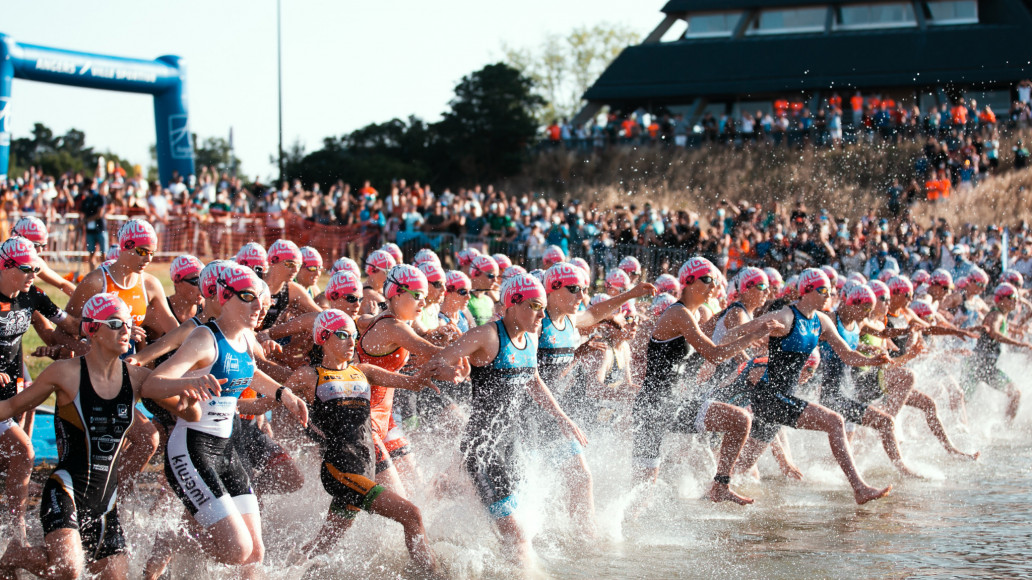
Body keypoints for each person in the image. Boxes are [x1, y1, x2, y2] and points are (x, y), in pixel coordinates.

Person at [0, 294, 188, 580]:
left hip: (105, 503)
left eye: (128, 324)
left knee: (114, 576)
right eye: (115, 324)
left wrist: (192, 390)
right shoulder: (64, 373)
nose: (126, 331)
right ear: (92, 329)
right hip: (65, 490)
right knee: (68, 569)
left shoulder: (137, 377)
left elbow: (190, 413)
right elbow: (11, 407)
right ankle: (13, 556)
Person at [143, 263, 308, 572]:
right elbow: (152, 384)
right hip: (191, 449)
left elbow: (250, 372)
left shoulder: (244, 337)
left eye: (260, 298)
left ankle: (186, 537)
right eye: (248, 297)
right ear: (225, 297)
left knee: (255, 553)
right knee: (236, 550)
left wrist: (283, 394)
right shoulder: (203, 338)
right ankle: (175, 539)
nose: (258, 306)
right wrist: (188, 383)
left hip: (225, 449)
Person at [435, 273, 586, 566]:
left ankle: (448, 501)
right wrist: (454, 372)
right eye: (535, 307)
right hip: (483, 449)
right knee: (518, 536)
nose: (541, 315)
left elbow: (534, 380)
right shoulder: (487, 335)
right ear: (513, 304)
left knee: (518, 521)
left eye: (543, 308)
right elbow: (438, 360)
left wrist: (562, 417)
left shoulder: (530, 337)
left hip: (511, 445)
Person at [283, 310, 450, 574]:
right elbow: (272, 400)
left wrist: (427, 373)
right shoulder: (309, 375)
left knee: (322, 545)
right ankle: (435, 576)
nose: (351, 342)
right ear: (323, 337)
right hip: (340, 471)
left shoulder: (364, 371)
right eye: (342, 335)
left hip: (364, 468)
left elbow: (413, 384)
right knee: (412, 515)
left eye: (354, 335)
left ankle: (281, 573)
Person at [631, 257, 783, 507]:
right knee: (641, 494)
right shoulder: (678, 313)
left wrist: (752, 337)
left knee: (740, 420)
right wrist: (755, 333)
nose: (714, 286)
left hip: (674, 403)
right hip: (653, 407)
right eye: (708, 280)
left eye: (715, 281)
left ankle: (720, 486)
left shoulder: (697, 314)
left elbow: (722, 339)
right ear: (689, 282)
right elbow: (715, 353)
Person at [735, 268, 893, 504]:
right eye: (824, 290)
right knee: (835, 421)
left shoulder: (822, 320)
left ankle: (711, 488)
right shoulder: (786, 316)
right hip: (770, 397)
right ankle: (860, 488)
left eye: (830, 290)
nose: (829, 295)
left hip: (781, 400)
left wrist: (872, 361)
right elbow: (739, 330)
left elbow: (847, 354)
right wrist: (720, 348)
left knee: (742, 466)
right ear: (808, 291)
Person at [0, 238, 81, 545]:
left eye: (36, 269)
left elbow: (68, 325)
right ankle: (16, 532)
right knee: (22, 452)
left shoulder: (32, 295)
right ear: (5, 266)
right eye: (26, 269)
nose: (33, 275)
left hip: (7, 395)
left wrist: (105, 327)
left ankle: (14, 531)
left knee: (18, 454)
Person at [816, 284, 918, 476]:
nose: (868, 314)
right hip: (833, 396)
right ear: (852, 303)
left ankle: (815, 472)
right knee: (886, 422)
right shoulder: (830, 320)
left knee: (842, 455)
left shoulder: (859, 323)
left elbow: (882, 333)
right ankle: (903, 469)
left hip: (849, 393)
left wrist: (906, 330)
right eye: (865, 309)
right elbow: (816, 341)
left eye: (870, 309)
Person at [964, 283, 1029, 421]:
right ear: (1001, 299)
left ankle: (1004, 426)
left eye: (1016, 298)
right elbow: (994, 332)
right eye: (1012, 298)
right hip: (979, 365)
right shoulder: (997, 315)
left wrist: (1016, 331)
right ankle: (1006, 426)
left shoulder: (1000, 315)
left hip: (984, 366)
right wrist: (1019, 344)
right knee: (962, 401)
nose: (1015, 301)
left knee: (1015, 394)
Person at [11, 216, 76, 296]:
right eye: (35, 245)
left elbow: (63, 284)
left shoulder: (37, 263)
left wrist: (87, 300)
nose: (40, 251)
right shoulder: (3, 261)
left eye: (43, 245)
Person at [467, 254, 500, 327]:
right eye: (491, 276)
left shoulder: (489, 301)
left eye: (496, 276)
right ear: (476, 273)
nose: (495, 280)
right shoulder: (465, 300)